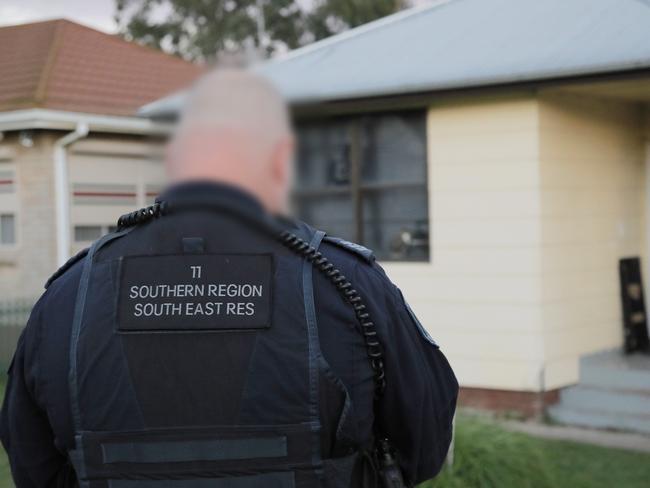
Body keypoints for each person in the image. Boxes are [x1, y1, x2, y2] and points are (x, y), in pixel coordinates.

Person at [0, 69, 458, 488]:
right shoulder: (346, 282)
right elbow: (424, 446)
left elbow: (32, 465)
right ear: (279, 159)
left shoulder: (67, 297)